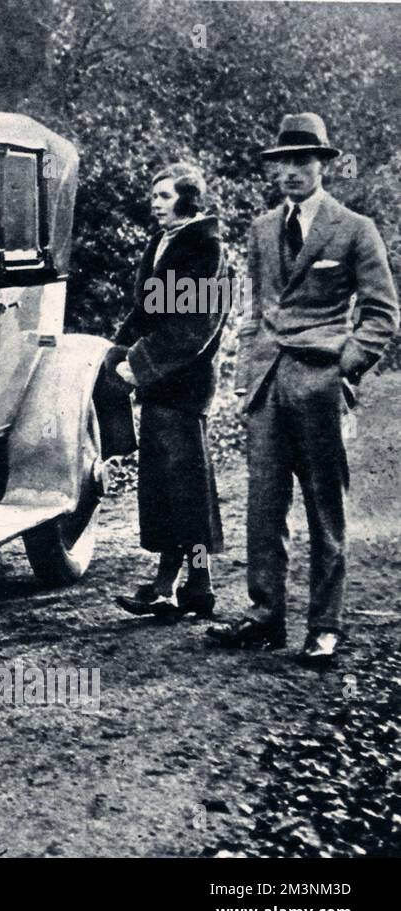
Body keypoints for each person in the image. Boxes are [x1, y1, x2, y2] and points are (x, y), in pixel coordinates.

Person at [207, 113, 399, 665]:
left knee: (324, 506)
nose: (291, 172)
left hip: (319, 383)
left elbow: (382, 315)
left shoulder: (354, 228)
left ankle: (325, 625)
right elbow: (254, 313)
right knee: (264, 507)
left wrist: (344, 367)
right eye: (283, 163)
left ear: (323, 166)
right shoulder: (264, 228)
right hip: (267, 385)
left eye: (302, 162)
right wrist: (244, 381)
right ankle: (266, 618)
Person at [107, 162, 228, 619]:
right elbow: (146, 311)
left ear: (187, 200)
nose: (154, 203)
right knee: (169, 491)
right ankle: (191, 587)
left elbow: (194, 328)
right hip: (159, 384)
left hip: (184, 386)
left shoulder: (205, 248)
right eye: (154, 196)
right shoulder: (162, 242)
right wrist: (116, 352)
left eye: (164, 196)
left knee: (186, 493)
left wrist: (139, 365)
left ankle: (178, 585)